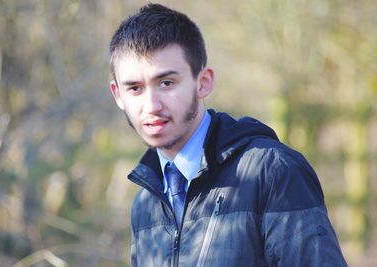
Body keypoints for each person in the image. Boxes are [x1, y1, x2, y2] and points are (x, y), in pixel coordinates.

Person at [108, 3, 347, 267]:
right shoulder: (146, 202)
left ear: (203, 82)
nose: (152, 105)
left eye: (166, 83)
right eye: (135, 88)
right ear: (118, 94)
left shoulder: (272, 172)